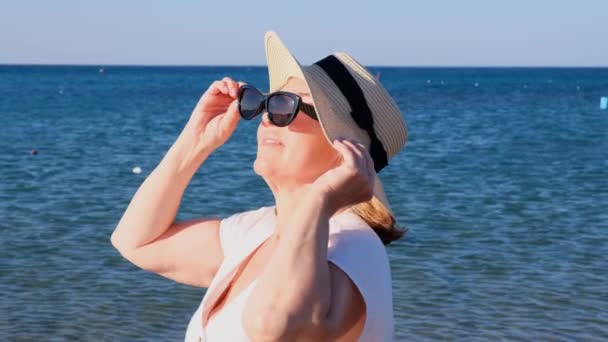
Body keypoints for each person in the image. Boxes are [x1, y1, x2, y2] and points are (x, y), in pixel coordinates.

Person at [111, 31, 408, 341]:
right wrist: (195, 142)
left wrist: (319, 201)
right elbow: (136, 242)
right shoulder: (258, 229)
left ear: (345, 149)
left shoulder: (354, 246)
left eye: (286, 105)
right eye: (264, 102)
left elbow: (274, 325)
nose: (267, 117)